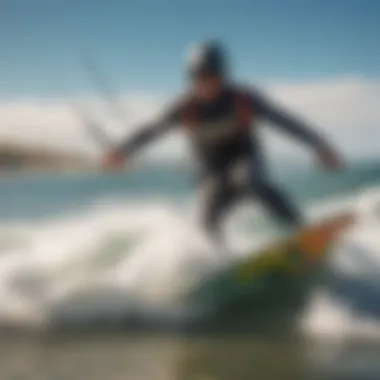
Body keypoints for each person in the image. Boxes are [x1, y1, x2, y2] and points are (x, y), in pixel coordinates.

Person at [103, 40, 342, 245]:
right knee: (205, 221)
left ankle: (302, 232)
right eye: (198, 76)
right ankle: (219, 263)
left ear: (223, 74)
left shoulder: (243, 99)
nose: (205, 82)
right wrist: (122, 151)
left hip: (245, 158)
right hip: (211, 171)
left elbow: (285, 121)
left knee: (249, 180)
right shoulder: (184, 108)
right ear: (190, 78)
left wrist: (319, 145)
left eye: (211, 74)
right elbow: (151, 130)